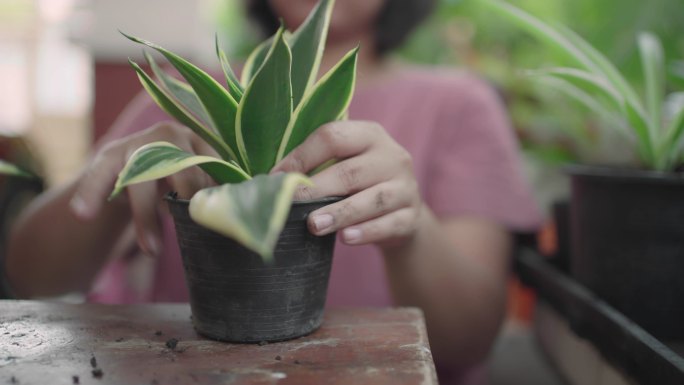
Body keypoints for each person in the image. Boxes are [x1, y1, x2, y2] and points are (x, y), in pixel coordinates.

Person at [6, 0, 541, 383]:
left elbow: (471, 337)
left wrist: (409, 226)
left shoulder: (458, 106)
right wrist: (122, 180)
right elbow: (32, 276)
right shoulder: (187, 100)